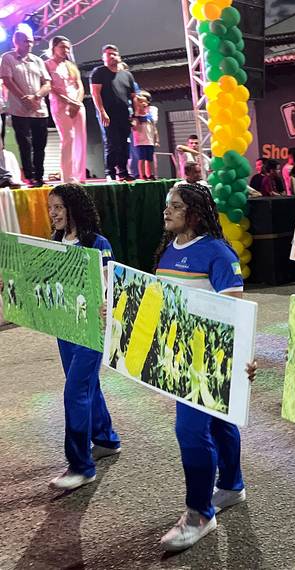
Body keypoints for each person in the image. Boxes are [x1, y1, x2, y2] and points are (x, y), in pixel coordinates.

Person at [154, 183, 257, 551]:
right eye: (167, 205)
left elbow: (235, 312)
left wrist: (239, 357)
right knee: (220, 422)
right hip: (179, 357)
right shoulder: (168, 251)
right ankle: (231, 485)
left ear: (194, 213)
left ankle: (200, 514)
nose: (167, 211)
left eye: (176, 206)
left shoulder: (217, 252)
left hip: (207, 361)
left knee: (190, 431)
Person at [0, 184, 121, 490]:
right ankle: (106, 439)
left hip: (91, 330)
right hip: (65, 328)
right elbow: (40, 280)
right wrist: (11, 286)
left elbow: (112, 286)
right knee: (85, 385)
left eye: (58, 207)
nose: (52, 213)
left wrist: (110, 309)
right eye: (50, 207)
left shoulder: (98, 243)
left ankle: (81, 466)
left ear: (73, 208)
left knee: (74, 392)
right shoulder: (55, 240)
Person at [0, 29, 51, 187]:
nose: (29, 44)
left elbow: (47, 83)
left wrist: (36, 96)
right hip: (19, 109)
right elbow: (7, 80)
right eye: (25, 41)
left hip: (39, 108)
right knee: (24, 144)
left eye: (31, 41)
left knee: (40, 145)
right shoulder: (8, 58)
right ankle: (30, 176)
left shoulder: (37, 60)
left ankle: (40, 176)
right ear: (16, 42)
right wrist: (24, 98)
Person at [90, 44, 137, 181]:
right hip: (108, 114)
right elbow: (95, 94)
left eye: (114, 54)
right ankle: (109, 172)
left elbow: (133, 96)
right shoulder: (99, 72)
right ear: (103, 57)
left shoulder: (127, 75)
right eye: (109, 54)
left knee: (124, 143)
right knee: (112, 143)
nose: (112, 56)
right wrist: (102, 112)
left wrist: (134, 115)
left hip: (124, 114)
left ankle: (123, 171)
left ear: (119, 57)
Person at [45, 36, 86, 183]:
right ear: (54, 47)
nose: (65, 50)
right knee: (68, 138)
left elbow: (80, 86)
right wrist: (68, 102)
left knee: (81, 139)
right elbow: (52, 88)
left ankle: (80, 175)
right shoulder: (47, 65)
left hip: (77, 104)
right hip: (60, 105)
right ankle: (67, 176)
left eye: (68, 47)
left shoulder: (71, 65)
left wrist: (77, 102)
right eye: (62, 47)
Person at [130, 91, 158, 180]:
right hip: (140, 141)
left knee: (150, 159)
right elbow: (134, 127)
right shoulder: (135, 115)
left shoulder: (151, 113)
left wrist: (156, 139)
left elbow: (154, 127)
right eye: (140, 102)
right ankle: (142, 175)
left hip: (150, 140)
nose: (143, 104)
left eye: (144, 101)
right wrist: (137, 113)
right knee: (142, 158)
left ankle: (151, 174)